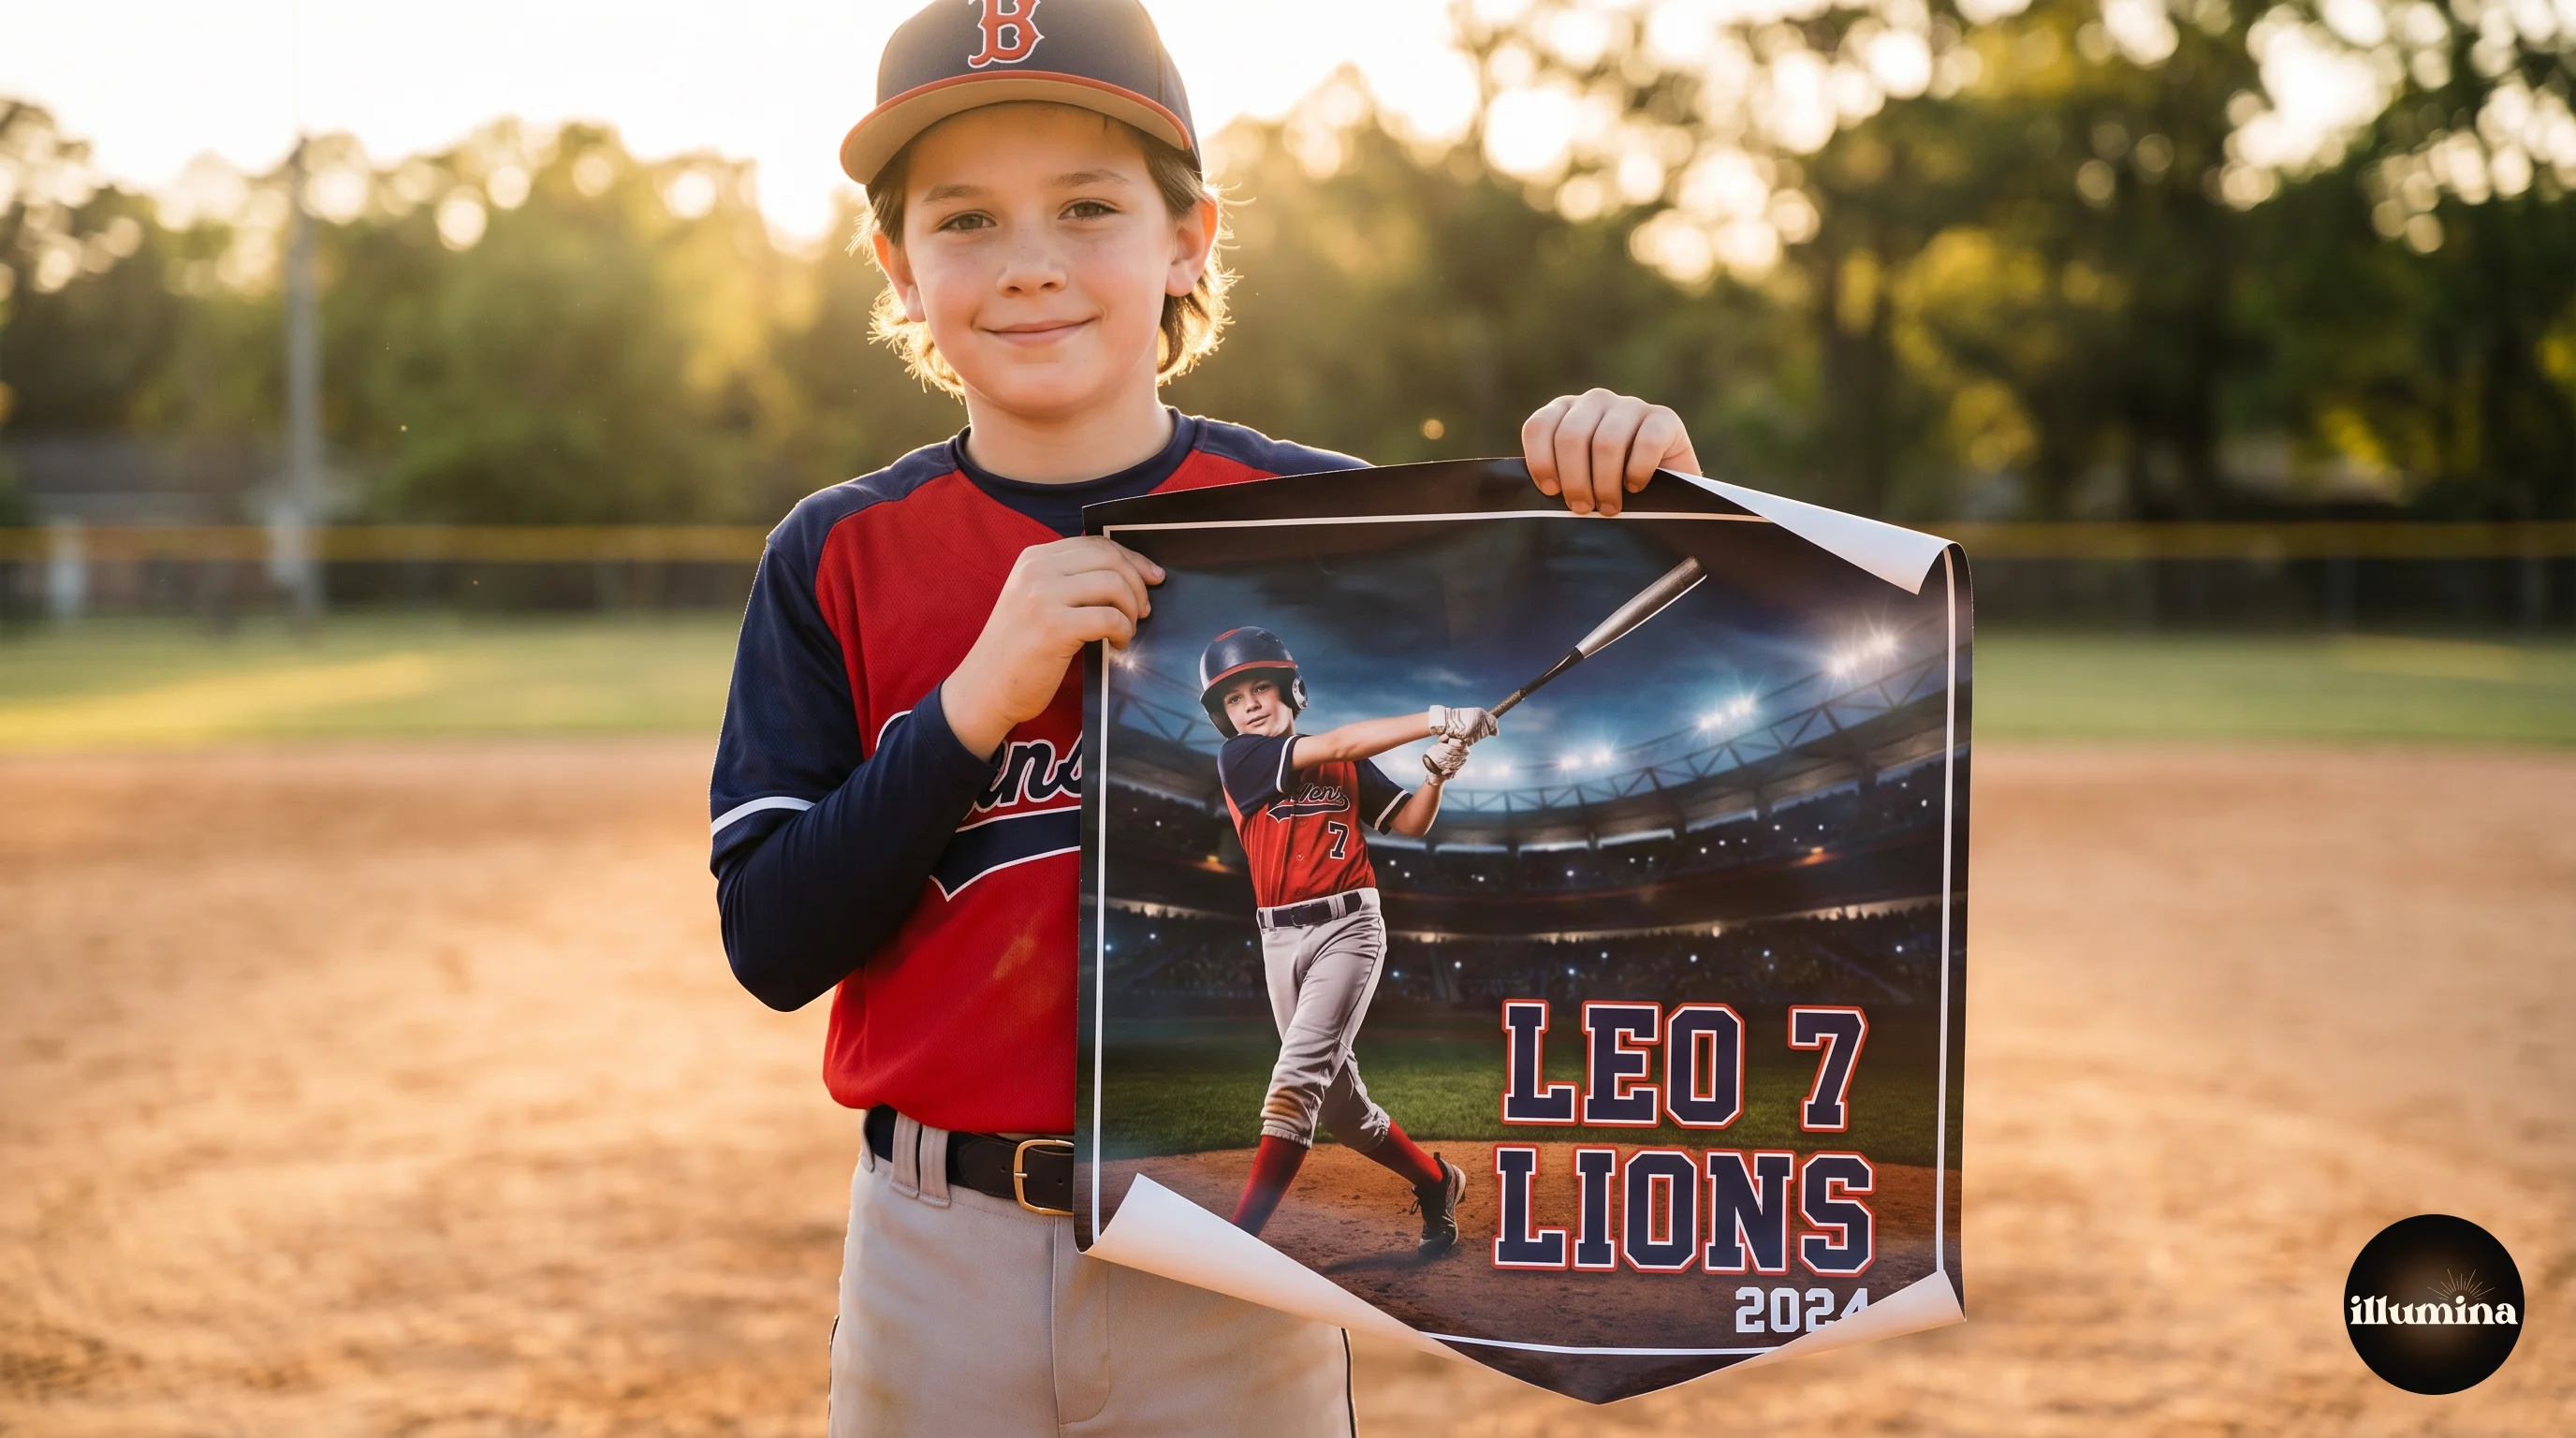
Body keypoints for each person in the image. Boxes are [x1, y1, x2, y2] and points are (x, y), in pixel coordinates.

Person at [708, 1, 1704, 1431]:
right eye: (967, 220)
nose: (1031, 264)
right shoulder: (836, 550)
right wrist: (975, 702)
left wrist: (1632, 469)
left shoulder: (1325, 525)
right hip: (940, 1239)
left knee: (1312, 1101)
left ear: (1191, 240)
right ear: (898, 266)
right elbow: (772, 943)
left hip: (1223, 1278)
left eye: (1090, 207)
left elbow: (1585, 585)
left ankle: (1302, 1185)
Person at [1194, 629, 1496, 1255]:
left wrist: (1437, 776)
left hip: (1350, 929)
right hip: (1278, 939)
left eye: (1261, 688)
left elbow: (1409, 823)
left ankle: (1235, 1247)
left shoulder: (1347, 765)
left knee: (1296, 1081)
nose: (1249, 704)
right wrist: (1436, 718)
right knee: (1338, 1110)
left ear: (1290, 690)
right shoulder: (1242, 760)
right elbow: (1332, 741)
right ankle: (1439, 1182)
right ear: (1225, 718)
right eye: (1233, 699)